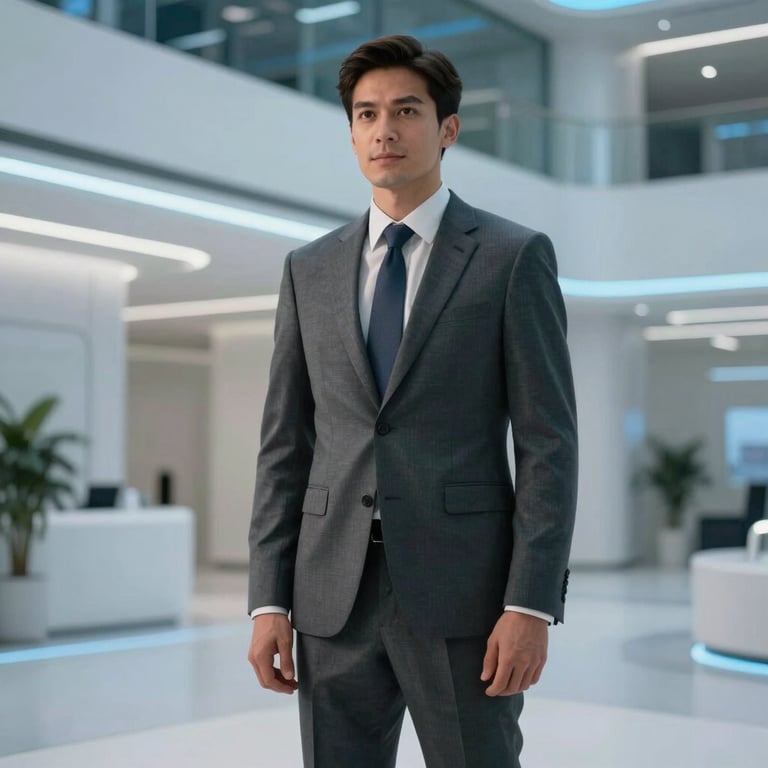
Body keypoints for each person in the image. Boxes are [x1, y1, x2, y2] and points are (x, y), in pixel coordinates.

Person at [247, 34, 578, 768]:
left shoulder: (511, 257)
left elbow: (549, 442)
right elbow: (285, 445)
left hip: (464, 597)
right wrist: (269, 600)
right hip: (331, 597)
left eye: (405, 111)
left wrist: (529, 604)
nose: (384, 131)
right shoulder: (310, 269)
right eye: (365, 115)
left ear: (447, 129)